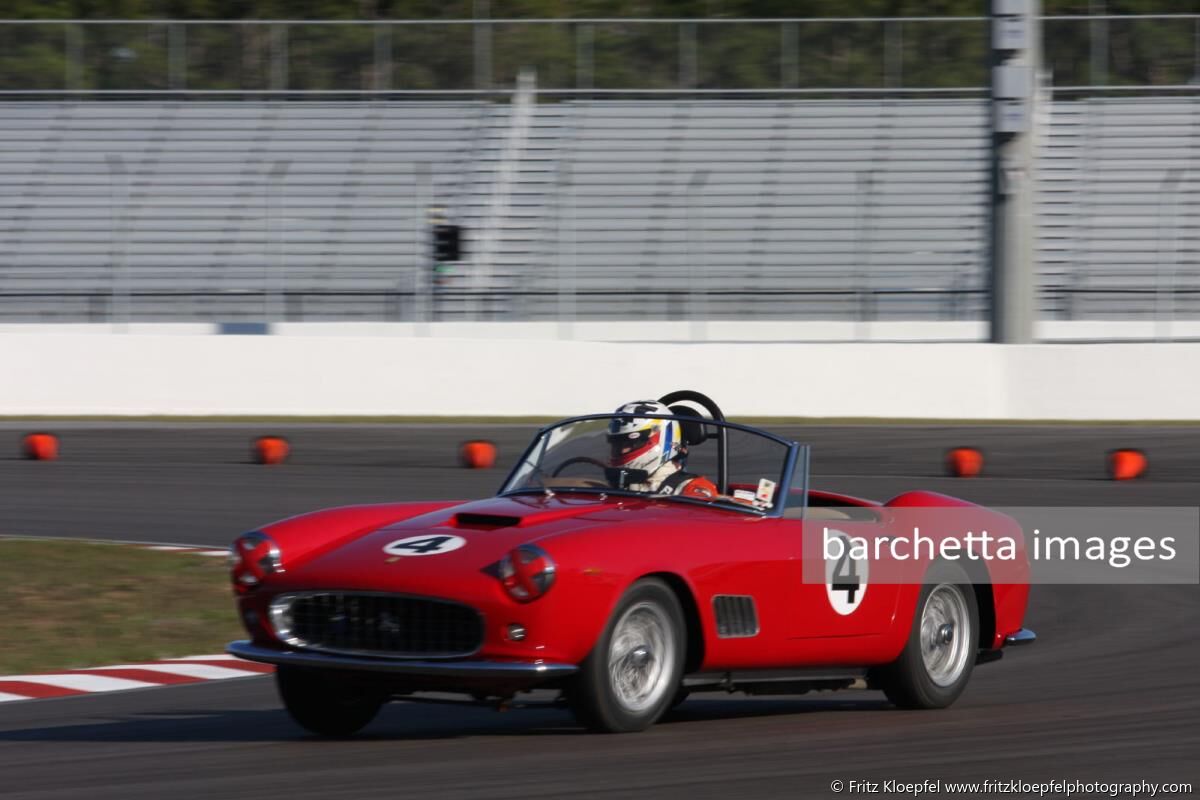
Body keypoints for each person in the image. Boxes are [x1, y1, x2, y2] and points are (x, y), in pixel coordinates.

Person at [607, 400, 719, 500]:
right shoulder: (622, 484)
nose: (621, 451)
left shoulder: (691, 490)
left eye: (628, 444)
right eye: (616, 445)